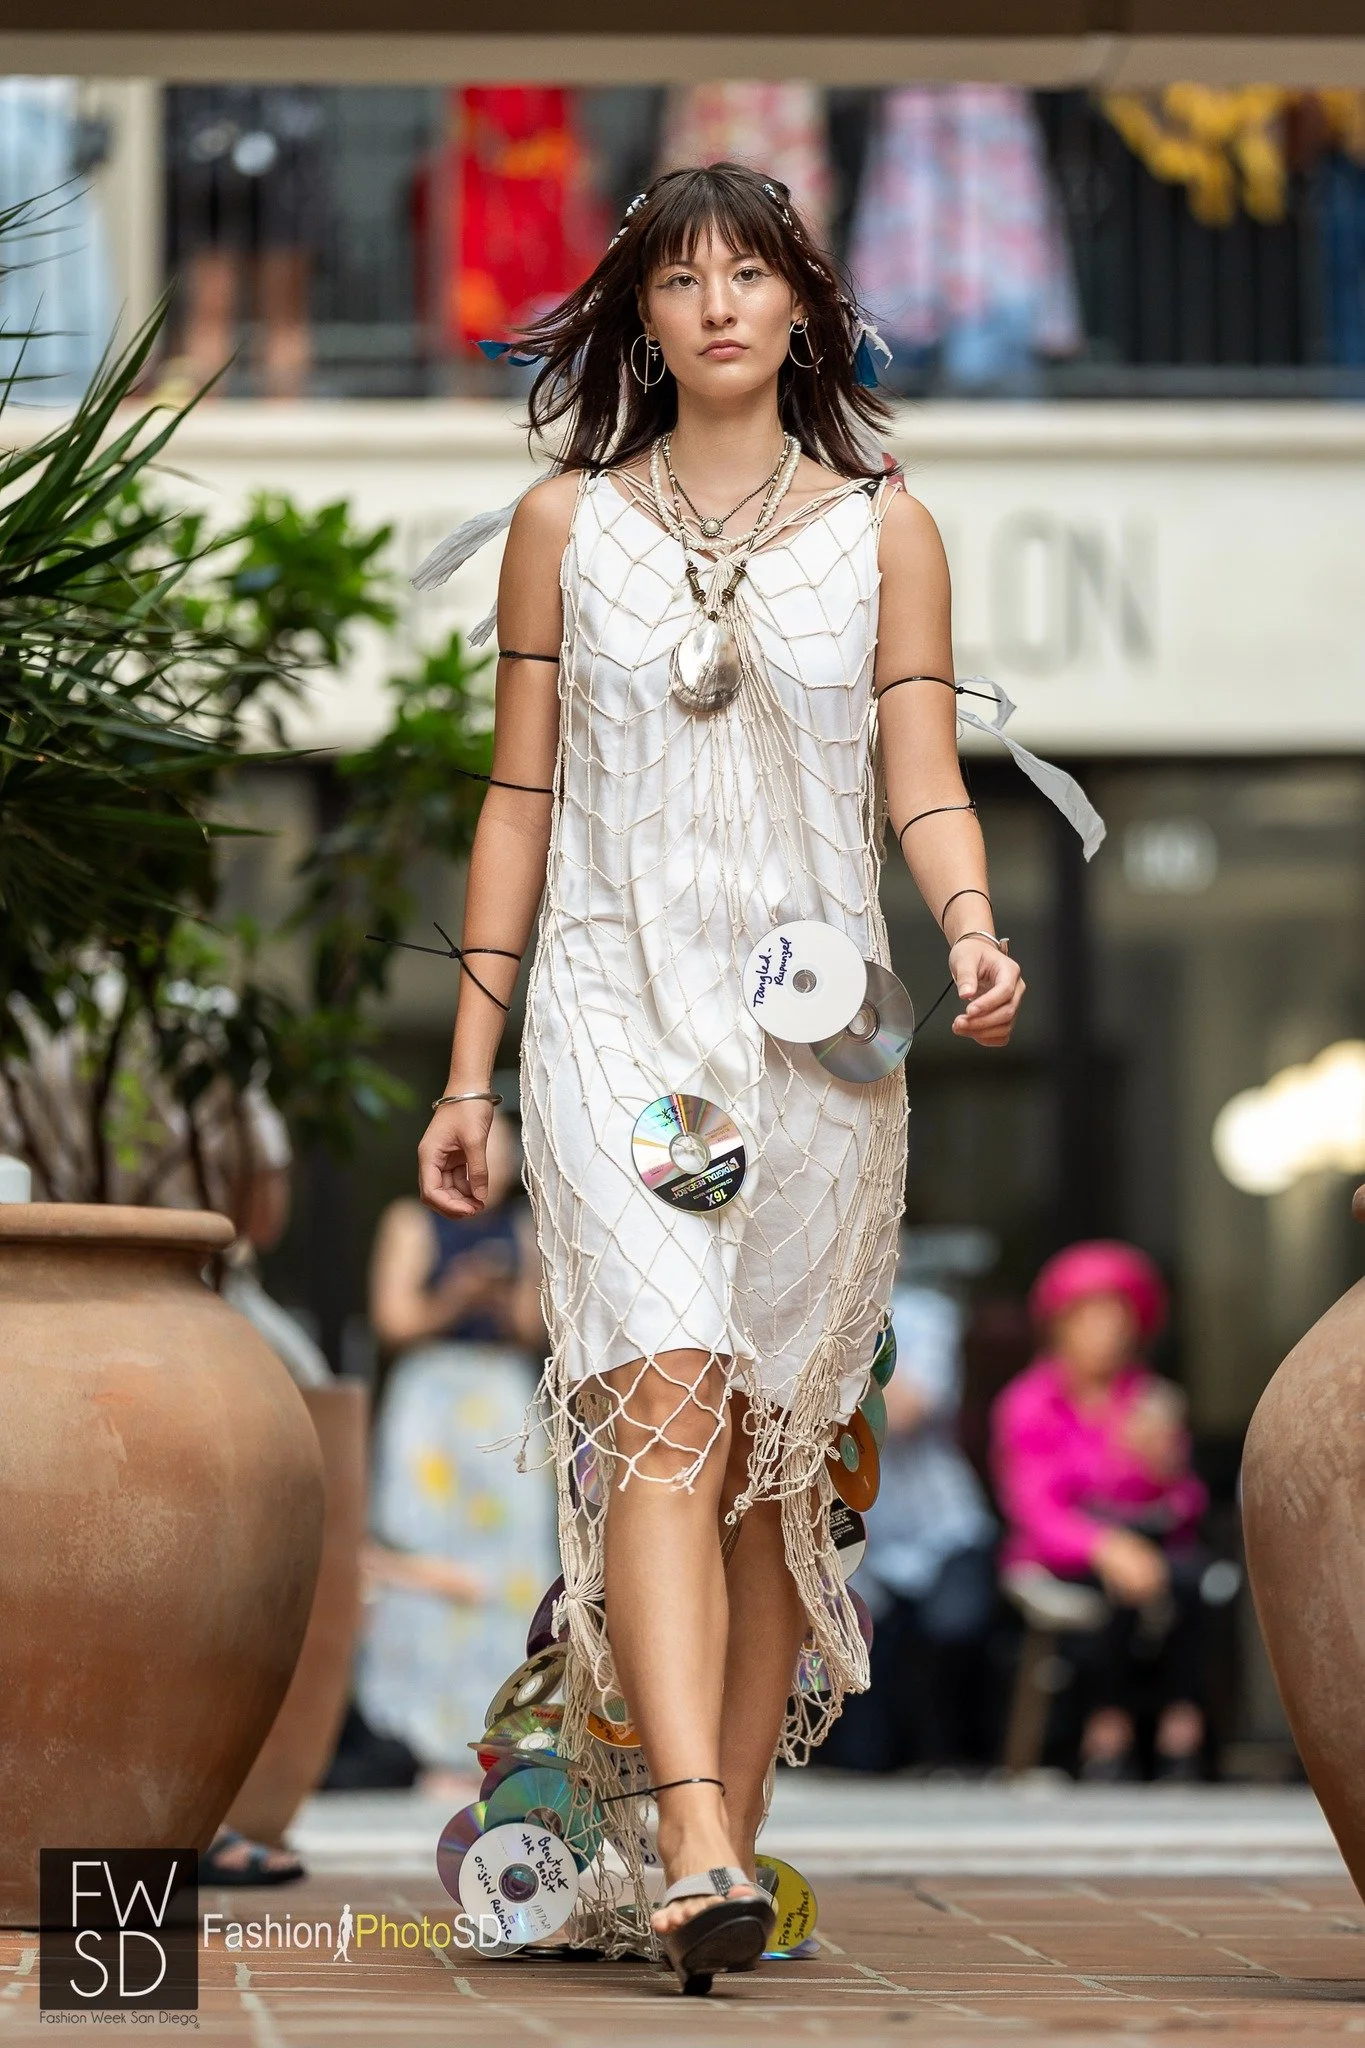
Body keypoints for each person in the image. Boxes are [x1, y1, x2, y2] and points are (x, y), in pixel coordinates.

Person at [413, 162, 1095, 1988]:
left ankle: (704, 1848)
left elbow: (924, 771)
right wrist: (468, 1067)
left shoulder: (888, 531)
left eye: (752, 272)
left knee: (781, 1443)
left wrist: (967, 923)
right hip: (619, 1018)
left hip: (818, 1041)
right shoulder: (568, 523)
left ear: (806, 304)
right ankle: (700, 1823)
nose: (717, 302)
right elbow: (517, 801)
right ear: (638, 311)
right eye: (680, 276)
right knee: (667, 1393)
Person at [358, 1109, 555, 1773]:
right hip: (432, 1401)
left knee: (511, 1560)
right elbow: (394, 1320)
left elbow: (535, 1330)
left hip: (499, 1392)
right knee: (420, 1551)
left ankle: (506, 1727)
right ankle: (414, 1737)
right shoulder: (409, 1222)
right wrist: (454, 1296)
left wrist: (498, 1298)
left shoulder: (525, 1230)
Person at [991, 1240, 1210, 1781]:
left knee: (1192, 1581)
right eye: (1089, 1318)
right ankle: (1107, 1727)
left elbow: (1186, 1503)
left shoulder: (1150, 1400)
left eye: (1117, 1319)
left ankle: (1182, 1726)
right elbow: (1033, 1508)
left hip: (1148, 1544)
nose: (1105, 1333)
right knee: (1123, 1588)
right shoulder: (1029, 1402)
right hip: (1065, 1553)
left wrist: (1160, 1469)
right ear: (1060, 1325)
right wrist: (1105, 1547)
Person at [821, 1269, 998, 1773]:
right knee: (862, 1735)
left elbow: (906, 1411)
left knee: (953, 1630)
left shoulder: (923, 1313)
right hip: (851, 1538)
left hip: (939, 1529)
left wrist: (823, 1378)